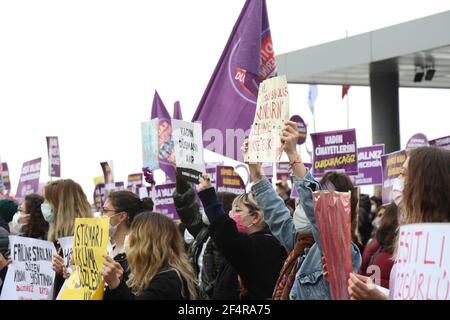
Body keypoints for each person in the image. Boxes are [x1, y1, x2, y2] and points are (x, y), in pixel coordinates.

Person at [245, 120, 361, 300]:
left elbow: (320, 217)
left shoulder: (341, 249)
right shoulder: (302, 245)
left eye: (311, 201)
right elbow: (277, 215)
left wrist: (292, 154)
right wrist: (256, 171)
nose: (300, 206)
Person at [348, 146, 450, 299]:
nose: (397, 182)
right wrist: (363, 287)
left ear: (425, 185)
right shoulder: (411, 239)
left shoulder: (442, 247)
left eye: (403, 174)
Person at [197, 174, 287, 300]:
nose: (230, 215)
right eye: (232, 210)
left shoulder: (264, 244)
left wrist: (209, 199)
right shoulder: (253, 242)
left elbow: (227, 236)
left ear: (255, 217)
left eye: (237, 210)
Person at [102, 211, 198, 300]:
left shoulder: (168, 280)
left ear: (147, 244)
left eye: (133, 234)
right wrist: (117, 282)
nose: (128, 238)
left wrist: (116, 285)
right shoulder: (146, 275)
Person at [173, 170, 236, 299]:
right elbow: (186, 207)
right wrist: (181, 178)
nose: (204, 210)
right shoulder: (203, 231)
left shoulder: (229, 237)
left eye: (208, 204)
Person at [46, 179, 93, 298]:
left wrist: (65, 272)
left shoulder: (86, 240)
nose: (44, 205)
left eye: (48, 201)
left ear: (61, 206)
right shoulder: (57, 240)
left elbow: (90, 286)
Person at [102, 190, 153, 281]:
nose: (102, 216)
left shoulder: (139, 253)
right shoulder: (109, 250)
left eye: (105, 211)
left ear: (122, 216)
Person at [358, 203, 398, 289]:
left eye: (382, 216)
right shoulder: (377, 247)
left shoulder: (376, 245)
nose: (379, 219)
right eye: (379, 215)